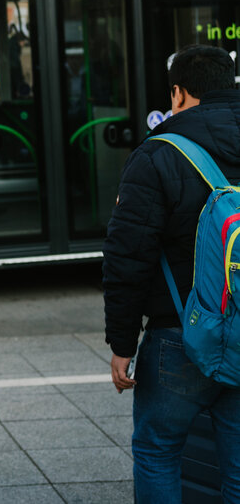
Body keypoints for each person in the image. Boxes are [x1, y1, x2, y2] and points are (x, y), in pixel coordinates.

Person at [103, 44, 240, 503]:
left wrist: (122, 344)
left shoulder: (157, 155)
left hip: (178, 333)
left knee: (159, 451)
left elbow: (127, 257)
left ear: (179, 93)